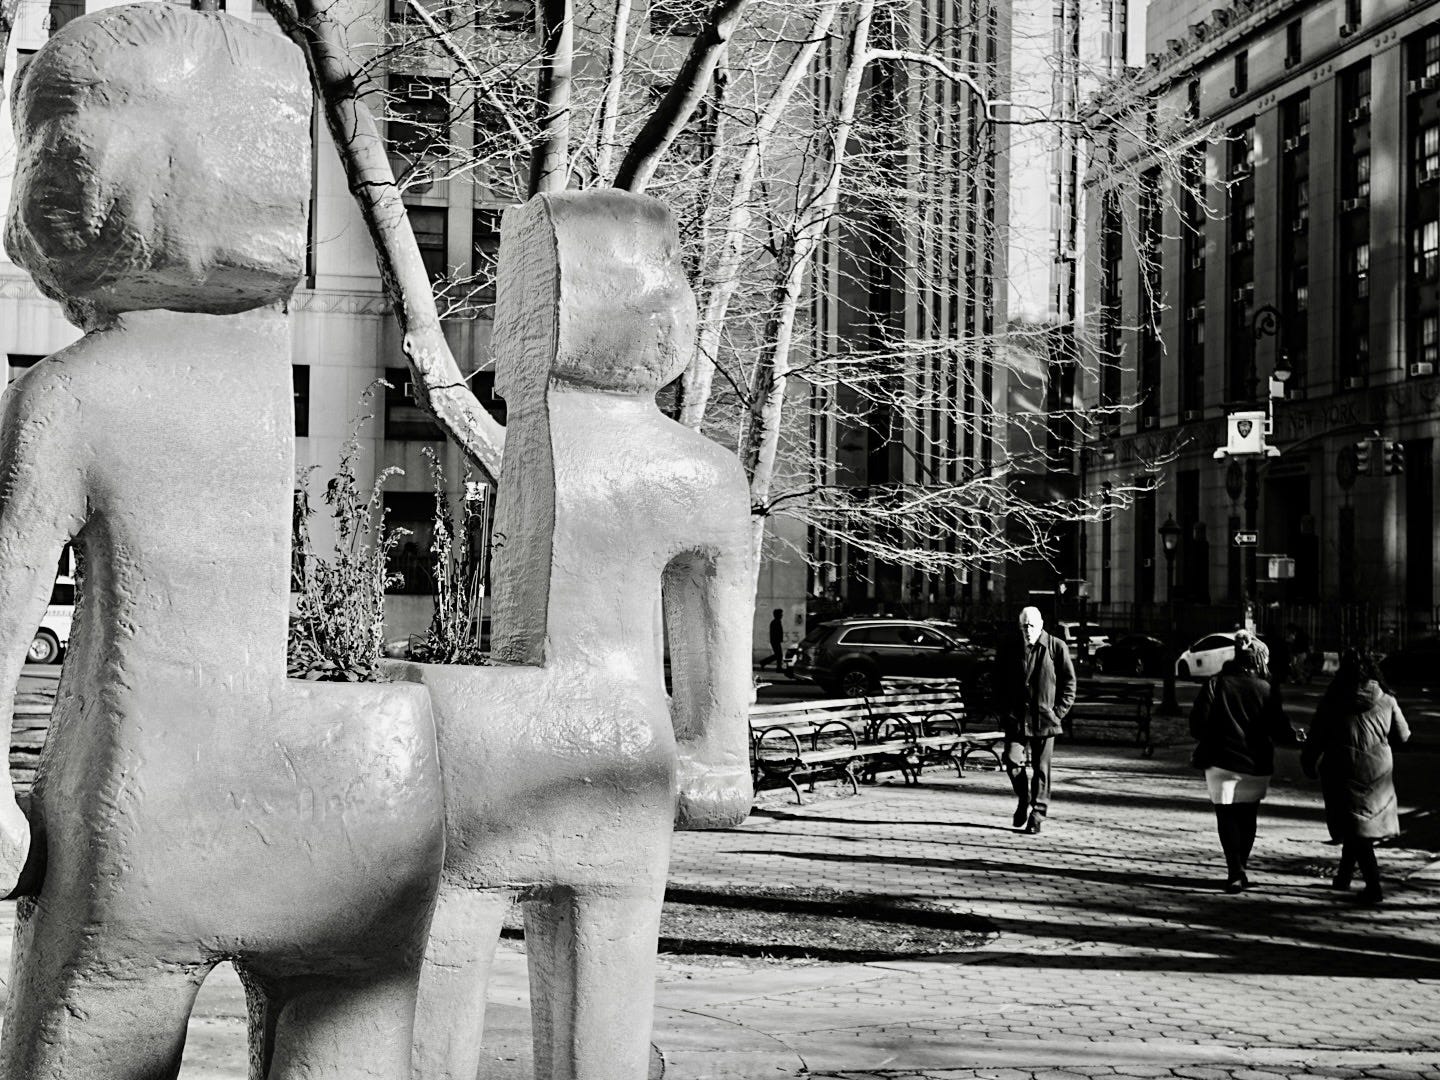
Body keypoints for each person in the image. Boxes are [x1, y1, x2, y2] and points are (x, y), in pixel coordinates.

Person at [1189, 631, 1296, 893]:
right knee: (1248, 816)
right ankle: (1241, 866)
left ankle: (1234, 869)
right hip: (1255, 762)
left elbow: (1197, 724)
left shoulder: (1216, 684)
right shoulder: (1267, 689)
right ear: (1258, 662)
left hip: (1221, 759)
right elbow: (1280, 729)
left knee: (1226, 815)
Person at [1300, 649, 1410, 905]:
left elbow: (1317, 736)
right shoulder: (1387, 699)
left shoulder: (1333, 699)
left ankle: (1373, 887)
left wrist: (1308, 762)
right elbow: (1403, 735)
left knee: (1355, 824)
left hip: (1341, 768)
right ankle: (1344, 876)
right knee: (1359, 824)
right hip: (1377, 771)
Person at [1000, 606, 1075, 835]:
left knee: (1041, 769)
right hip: (1017, 719)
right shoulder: (1010, 648)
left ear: (1041, 624)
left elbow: (1069, 684)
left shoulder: (1056, 646)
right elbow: (998, 682)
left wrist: (1058, 712)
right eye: (1024, 626)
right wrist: (1004, 711)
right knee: (1012, 760)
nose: (1028, 630)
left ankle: (1037, 814)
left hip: (1045, 719)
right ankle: (1024, 799)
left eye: (1032, 625)